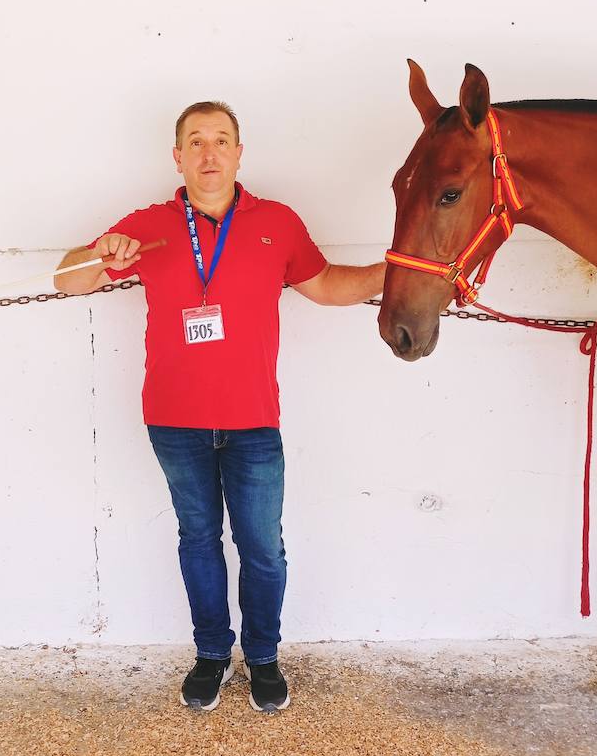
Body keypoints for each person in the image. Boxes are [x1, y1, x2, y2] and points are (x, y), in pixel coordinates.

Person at [55, 101, 384, 713]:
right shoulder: (149, 224)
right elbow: (66, 279)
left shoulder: (277, 223)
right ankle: (211, 655)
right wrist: (104, 251)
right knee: (199, 540)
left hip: (254, 422)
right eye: (196, 142)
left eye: (222, 141)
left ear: (239, 152)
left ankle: (262, 658)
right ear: (177, 157)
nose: (210, 154)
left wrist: (396, 271)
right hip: (174, 420)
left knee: (263, 548)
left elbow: (330, 286)